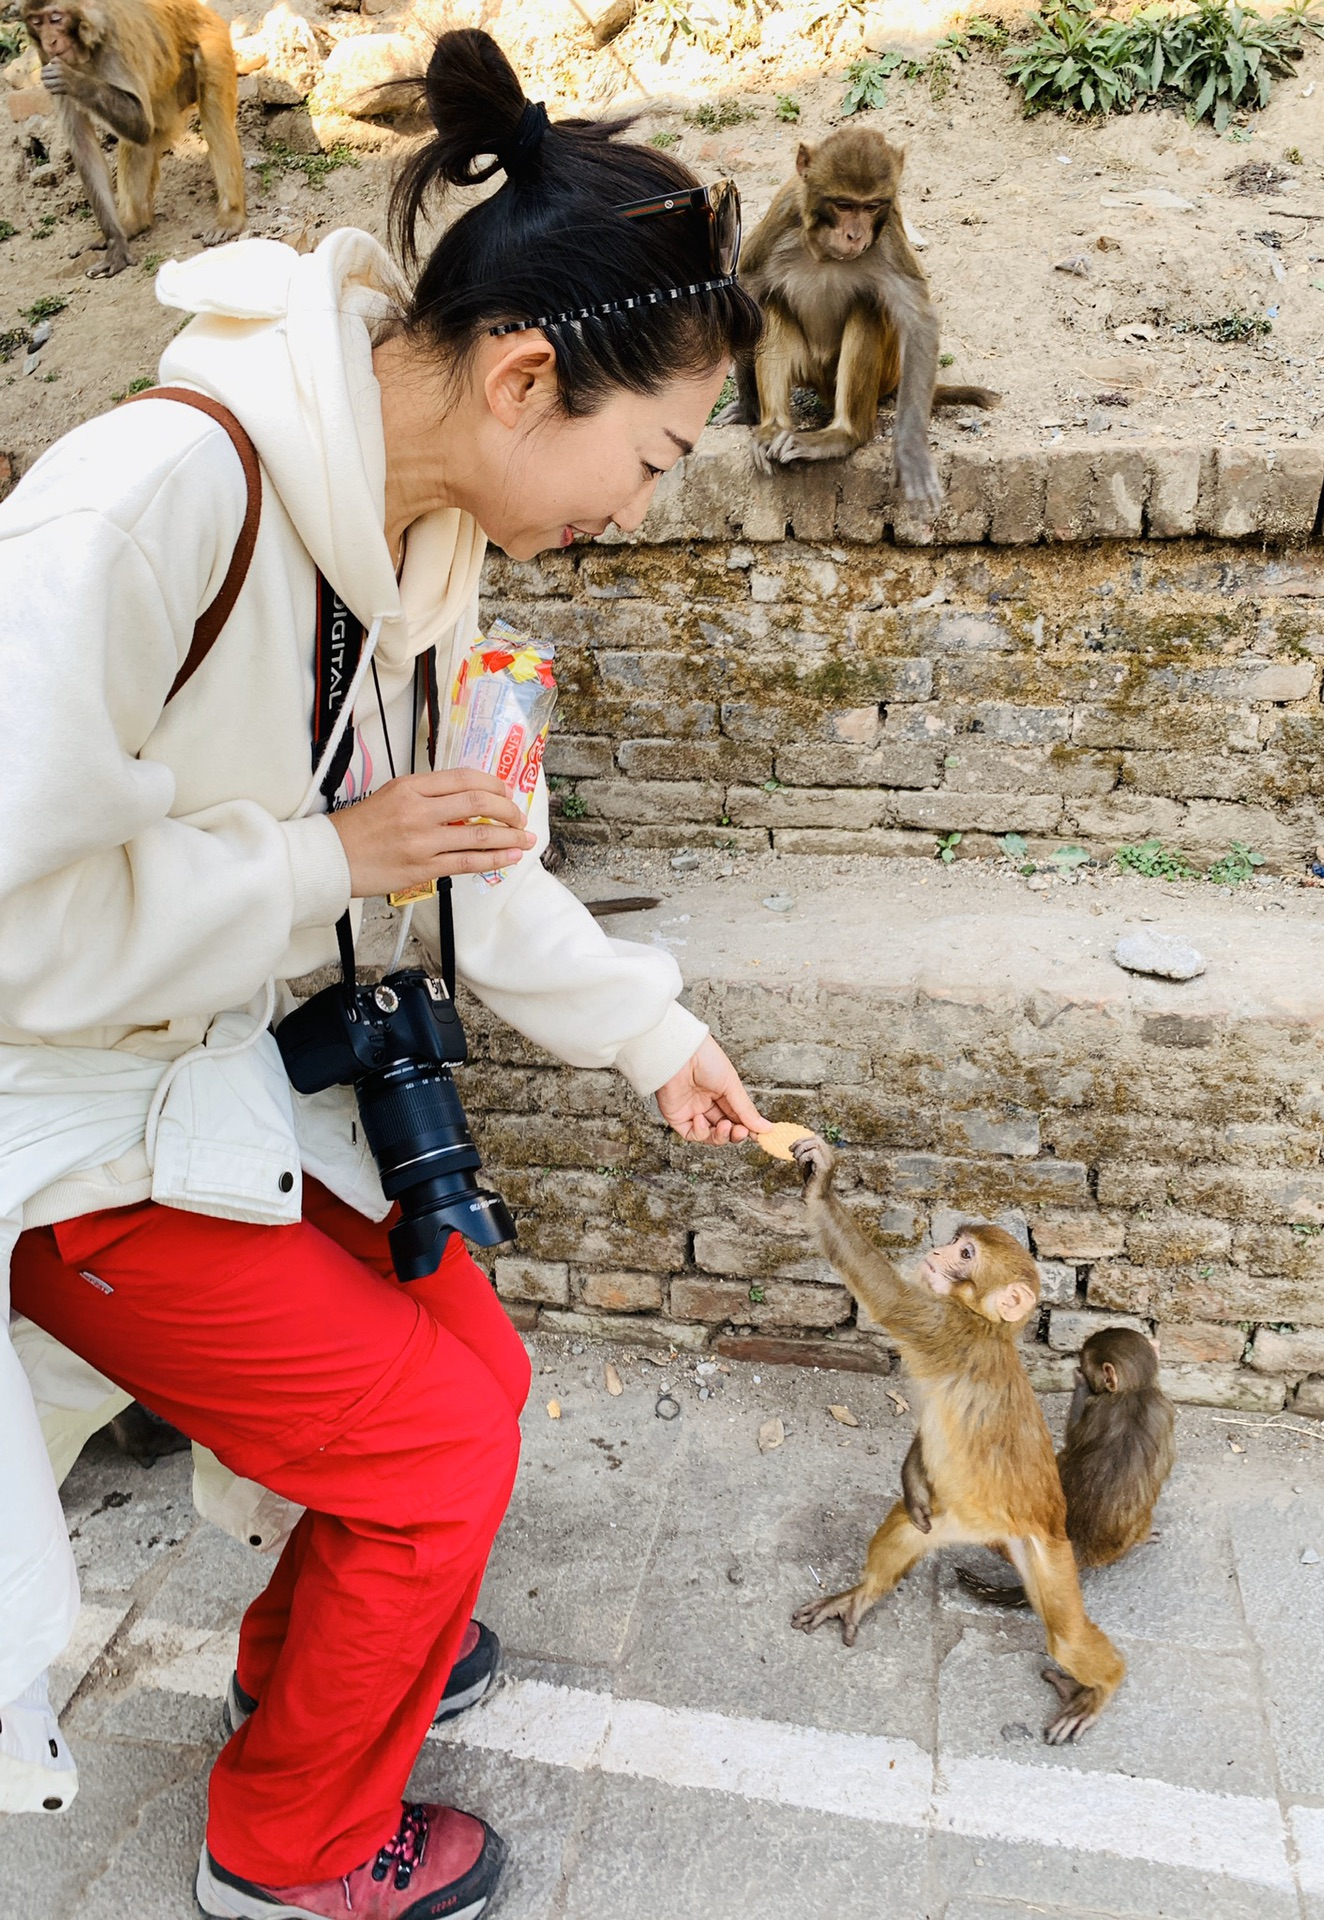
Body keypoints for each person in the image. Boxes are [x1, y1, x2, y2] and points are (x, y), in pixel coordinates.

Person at [0, 29, 766, 1918]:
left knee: (473, 1367)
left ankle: (322, 1670)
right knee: (426, 1451)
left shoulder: (416, 538)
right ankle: (290, 1848)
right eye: (651, 455)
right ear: (526, 377)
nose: (644, 505)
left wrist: (655, 1035)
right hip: (54, 1119)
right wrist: (311, 865)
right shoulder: (151, 502)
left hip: (189, 1088)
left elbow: (454, 852)